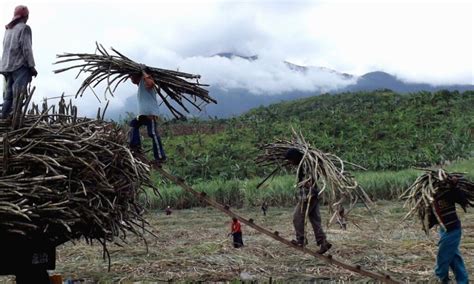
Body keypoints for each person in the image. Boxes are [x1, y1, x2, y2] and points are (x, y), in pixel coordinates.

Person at [285, 148, 332, 254]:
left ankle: (301, 240)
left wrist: (308, 183)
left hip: (308, 195)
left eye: (291, 160)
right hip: (313, 194)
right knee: (315, 220)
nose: (290, 163)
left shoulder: (305, 165)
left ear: (295, 158)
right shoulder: (305, 164)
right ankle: (323, 242)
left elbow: (312, 178)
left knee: (297, 217)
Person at [429, 176, 469, 283]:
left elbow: (463, 201)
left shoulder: (448, 192)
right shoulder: (431, 199)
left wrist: (455, 186)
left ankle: (441, 278)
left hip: (453, 230)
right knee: (454, 258)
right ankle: (463, 281)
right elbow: (431, 219)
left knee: (443, 256)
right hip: (444, 230)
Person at [0, 5, 37, 119]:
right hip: (19, 66)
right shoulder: (24, 28)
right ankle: (15, 119)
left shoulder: (8, 30)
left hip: (7, 66)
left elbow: (4, 47)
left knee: (9, 95)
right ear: (25, 16)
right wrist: (32, 66)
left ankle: (4, 116)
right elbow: (26, 48)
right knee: (18, 94)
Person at [128, 72, 166, 167]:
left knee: (152, 133)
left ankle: (160, 157)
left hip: (150, 114)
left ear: (137, 75)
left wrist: (144, 72)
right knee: (133, 124)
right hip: (142, 114)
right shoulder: (140, 84)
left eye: (132, 76)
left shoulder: (146, 80)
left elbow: (151, 83)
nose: (131, 79)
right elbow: (137, 82)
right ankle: (135, 145)